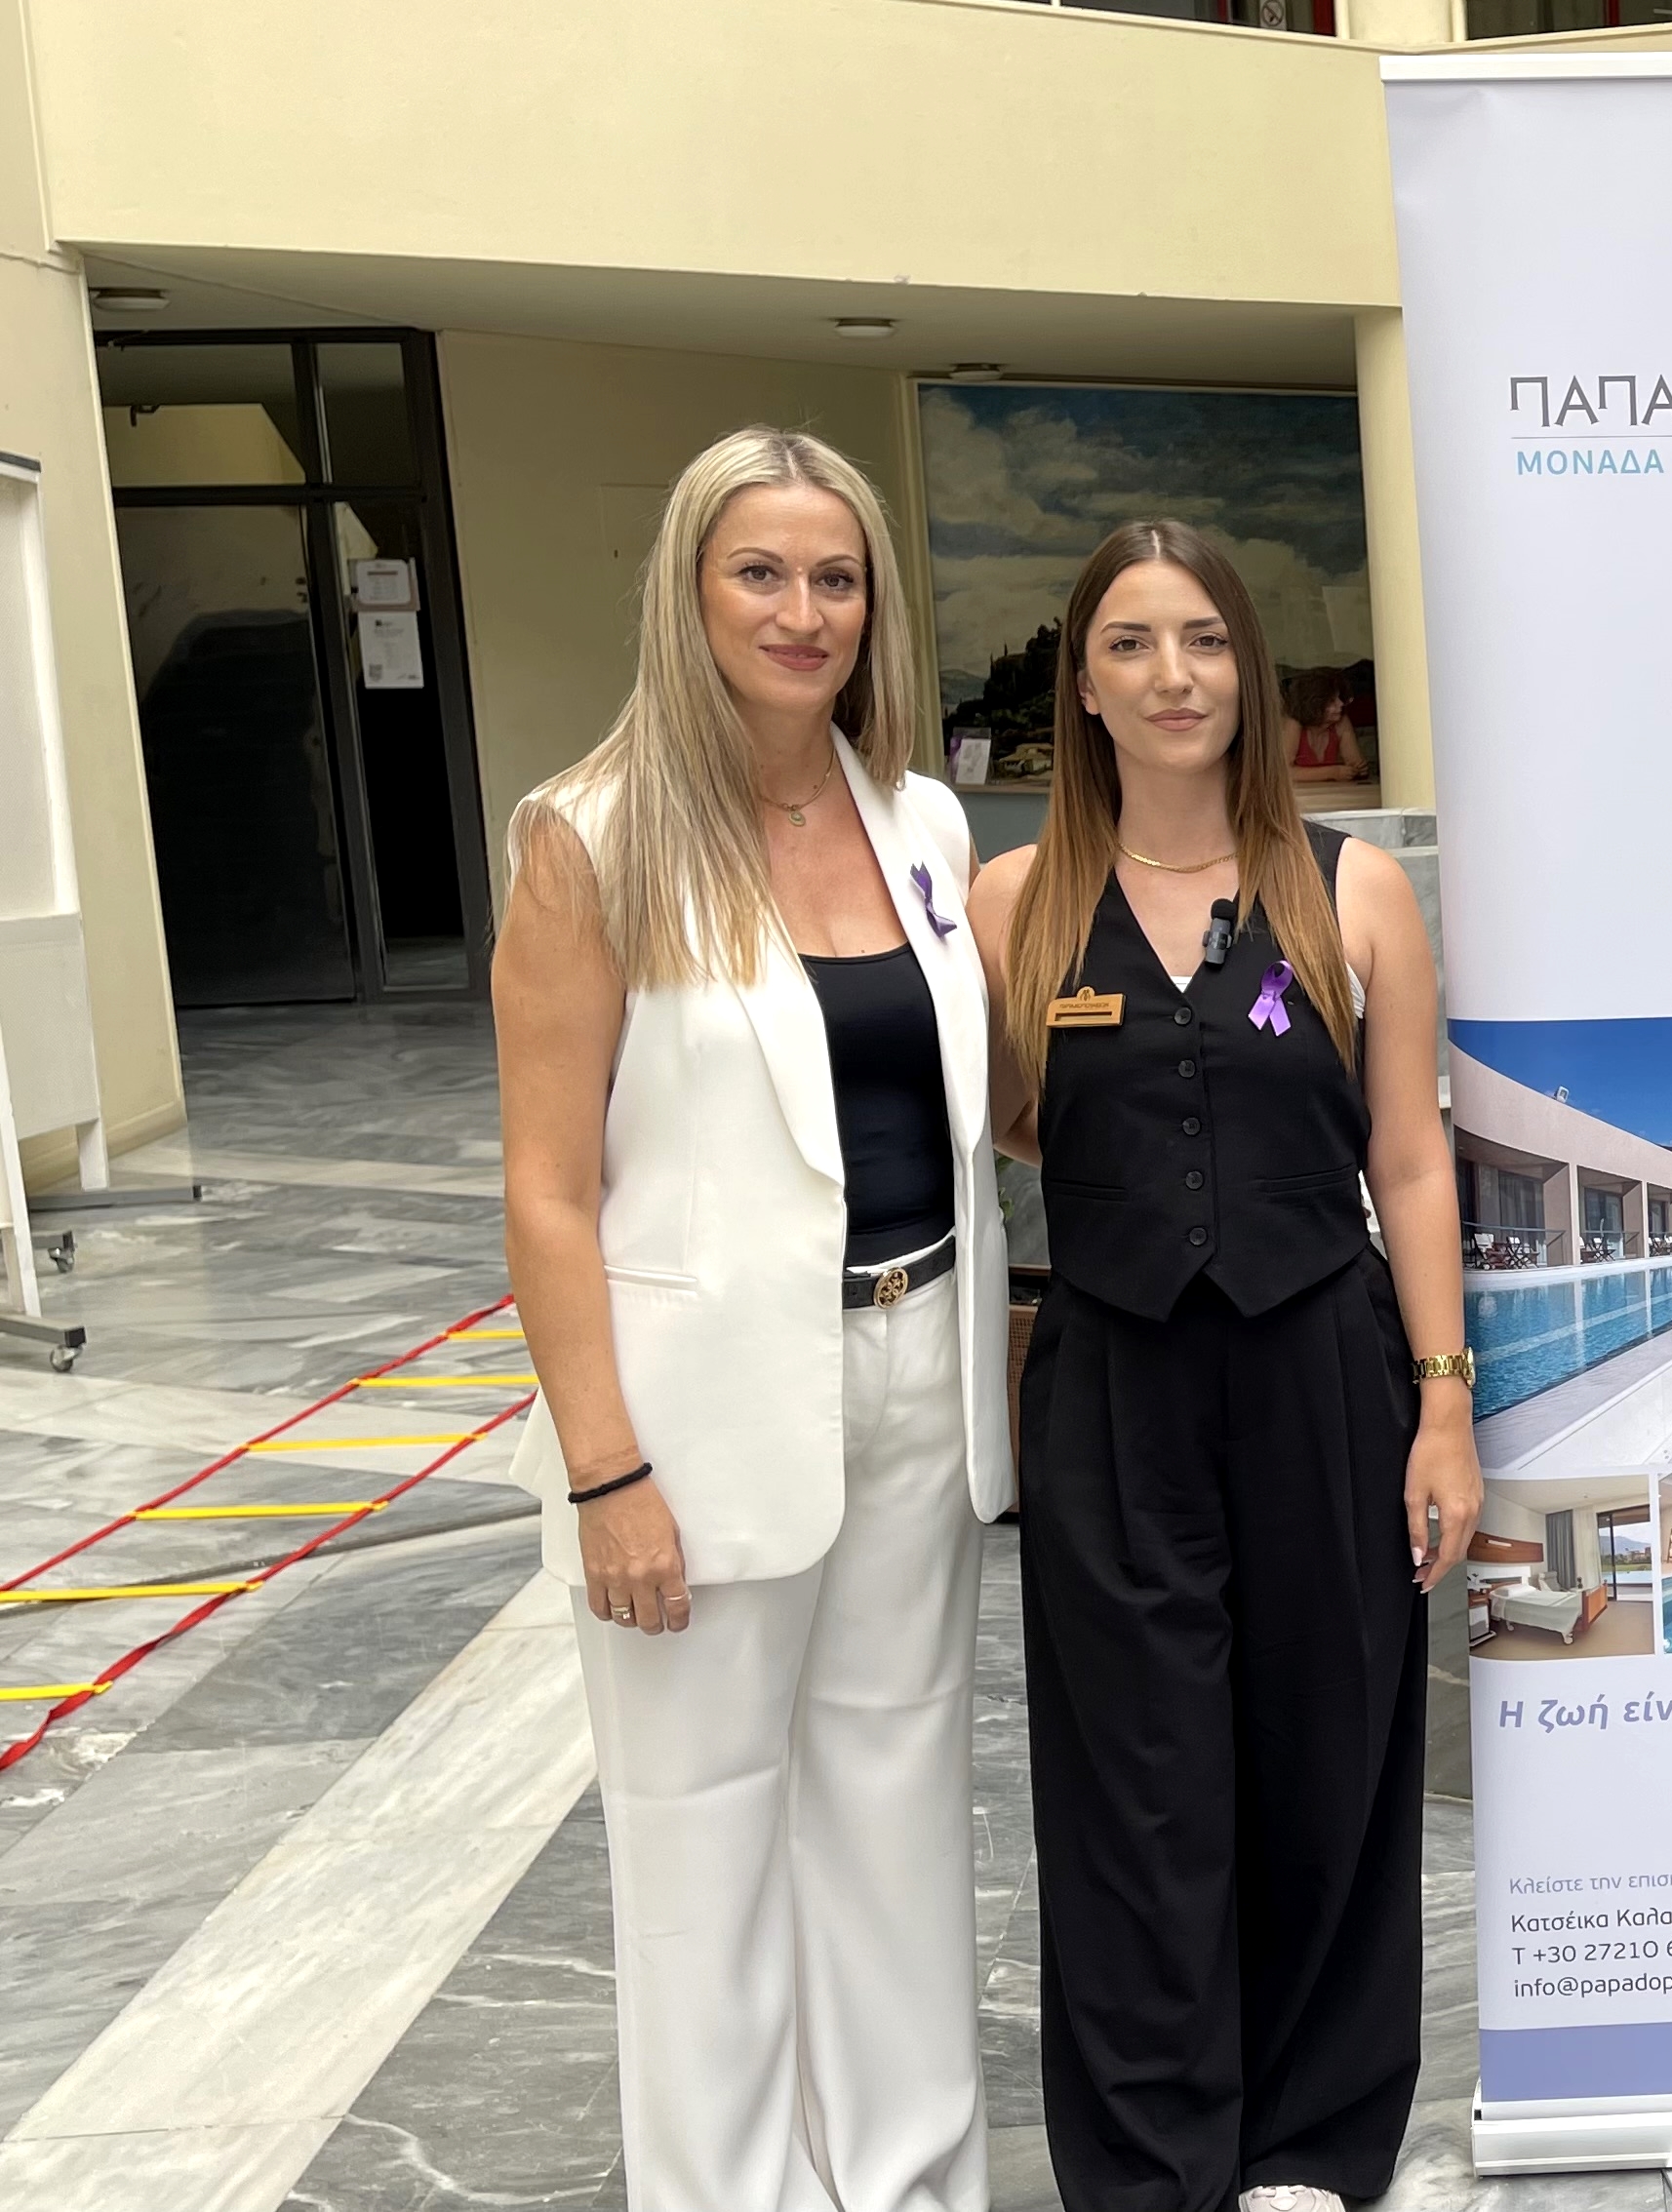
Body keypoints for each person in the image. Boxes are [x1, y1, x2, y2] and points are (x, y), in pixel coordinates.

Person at [495, 425, 1008, 2212]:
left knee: (894, 1810)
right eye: (761, 573)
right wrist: (604, 1469)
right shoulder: (588, 840)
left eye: (836, 577)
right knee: (702, 1840)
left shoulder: (922, 822)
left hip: (917, 1371)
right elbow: (548, 1190)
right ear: (688, 592)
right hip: (696, 1417)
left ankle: (908, 2176)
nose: (804, 612)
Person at [969, 519, 1480, 2212]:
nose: (1170, 675)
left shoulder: (1350, 890)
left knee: (1329, 1753)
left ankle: (1308, 2145)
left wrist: (1443, 1401)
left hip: (1321, 1367)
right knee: (1135, 1784)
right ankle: (1150, 2161)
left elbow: (1411, 1158)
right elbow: (1019, 1125)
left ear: (1248, 670)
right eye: (1129, 643)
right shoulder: (1013, 906)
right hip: (1112, 1386)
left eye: (1201, 638)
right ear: (1082, 683)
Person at [1283, 663, 1367, 783]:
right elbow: (1284, 772)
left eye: (1340, 698)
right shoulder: (1294, 724)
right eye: (1332, 701)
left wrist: (1358, 769)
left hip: (1332, 792)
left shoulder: (1341, 721)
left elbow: (1355, 765)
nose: (1340, 704)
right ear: (1313, 705)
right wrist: (1333, 772)